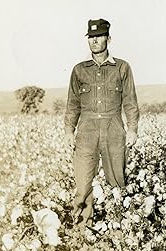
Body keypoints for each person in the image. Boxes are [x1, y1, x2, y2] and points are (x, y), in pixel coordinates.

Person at [64, 18, 139, 229]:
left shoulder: (122, 68)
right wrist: (69, 131)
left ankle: (120, 230)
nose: (95, 41)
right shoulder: (79, 70)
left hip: (114, 128)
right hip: (86, 131)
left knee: (117, 181)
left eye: (99, 37)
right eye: (91, 38)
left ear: (109, 38)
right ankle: (82, 230)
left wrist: (132, 129)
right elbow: (73, 104)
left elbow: (130, 101)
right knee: (83, 185)